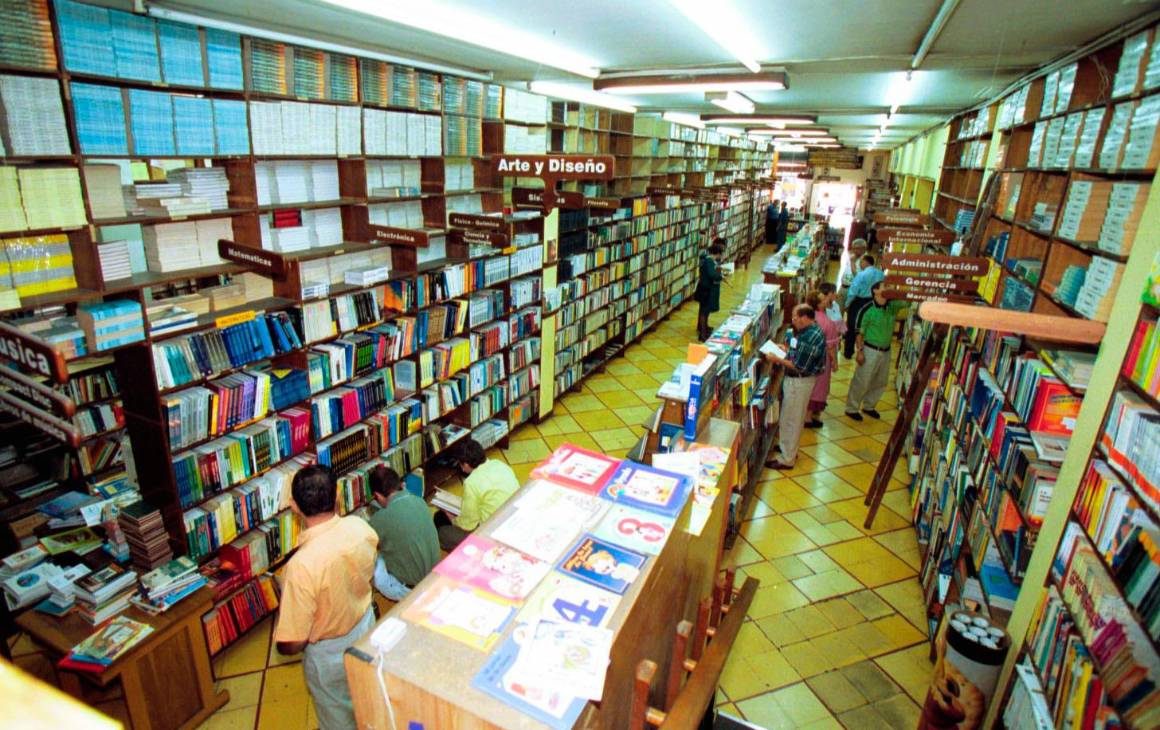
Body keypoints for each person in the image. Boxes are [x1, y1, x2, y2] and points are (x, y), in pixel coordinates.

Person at [274, 465, 378, 730]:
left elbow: (292, 643)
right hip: (366, 628)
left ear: (294, 506)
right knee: (368, 697)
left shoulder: (300, 567)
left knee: (337, 717)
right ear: (337, 498)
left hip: (329, 654)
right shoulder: (360, 527)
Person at [762, 304, 827, 469]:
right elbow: (799, 353)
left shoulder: (810, 337)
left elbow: (799, 366)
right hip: (799, 381)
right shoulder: (810, 331)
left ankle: (787, 458)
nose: (793, 320)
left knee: (792, 418)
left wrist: (778, 359)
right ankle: (787, 447)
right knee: (789, 416)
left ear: (805, 318)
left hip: (799, 382)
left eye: (795, 317)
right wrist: (785, 349)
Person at [367, 464, 440, 601]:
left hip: (410, 589)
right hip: (434, 575)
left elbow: (366, 542)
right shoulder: (419, 501)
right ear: (400, 484)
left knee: (374, 559)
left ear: (377, 496)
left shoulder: (381, 518)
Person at [433, 438, 520, 550]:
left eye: (461, 464)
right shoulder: (499, 464)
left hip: (492, 533)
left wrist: (452, 518)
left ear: (467, 464)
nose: (462, 469)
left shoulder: (471, 483)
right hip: (513, 519)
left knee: (443, 531)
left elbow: (468, 525)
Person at [845, 282, 909, 421]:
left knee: (881, 381)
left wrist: (896, 290)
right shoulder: (866, 309)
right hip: (869, 349)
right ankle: (852, 408)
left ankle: (869, 406)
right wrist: (860, 352)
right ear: (875, 290)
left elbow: (908, 301)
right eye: (885, 286)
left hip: (886, 350)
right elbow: (859, 333)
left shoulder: (892, 306)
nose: (888, 289)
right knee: (862, 380)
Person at [805, 285, 846, 428]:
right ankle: (809, 418)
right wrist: (834, 362)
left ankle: (806, 414)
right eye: (823, 301)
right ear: (818, 304)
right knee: (819, 387)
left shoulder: (807, 316)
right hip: (822, 360)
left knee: (809, 385)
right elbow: (830, 346)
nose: (826, 302)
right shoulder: (827, 322)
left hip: (807, 358)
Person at [843, 252, 884, 359]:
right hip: (874, 302)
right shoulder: (881, 274)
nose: (860, 264)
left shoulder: (862, 274)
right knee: (868, 326)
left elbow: (853, 290)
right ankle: (865, 351)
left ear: (865, 262)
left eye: (861, 262)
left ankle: (848, 352)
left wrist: (847, 304)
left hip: (859, 302)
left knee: (852, 326)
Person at [694, 240, 726, 341]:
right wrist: (720, 276)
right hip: (706, 290)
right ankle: (702, 334)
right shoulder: (709, 261)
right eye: (720, 255)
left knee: (705, 310)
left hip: (705, 288)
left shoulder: (708, 260)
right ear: (717, 254)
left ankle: (703, 328)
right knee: (704, 311)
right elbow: (712, 274)